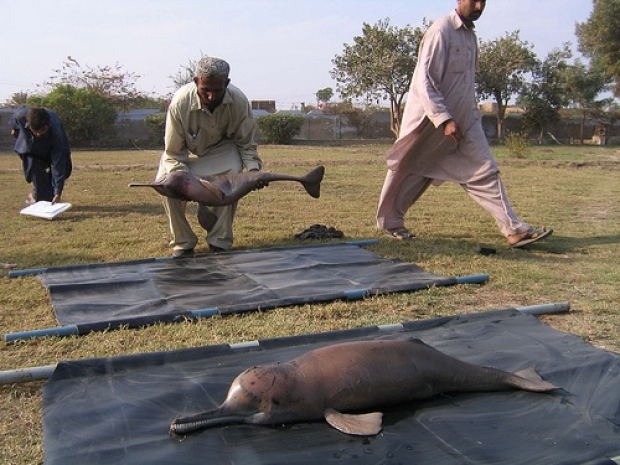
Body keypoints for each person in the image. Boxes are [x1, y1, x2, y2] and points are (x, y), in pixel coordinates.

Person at [376, 0, 552, 249]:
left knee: (485, 171)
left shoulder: (470, 38)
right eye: (473, 0)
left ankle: (514, 230)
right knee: (413, 169)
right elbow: (424, 82)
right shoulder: (441, 31)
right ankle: (391, 222)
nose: (478, 5)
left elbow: (464, 85)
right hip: (431, 123)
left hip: (465, 121)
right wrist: (444, 119)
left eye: (483, 1)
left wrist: (466, 116)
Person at [156, 56, 263, 257]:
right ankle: (183, 242)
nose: (212, 96)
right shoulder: (180, 103)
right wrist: (184, 182)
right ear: (196, 81)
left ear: (227, 84)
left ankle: (219, 241)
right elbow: (173, 151)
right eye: (206, 90)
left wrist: (253, 173)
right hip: (185, 154)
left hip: (222, 151)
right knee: (166, 183)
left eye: (217, 90)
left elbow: (246, 144)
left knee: (232, 177)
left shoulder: (239, 102)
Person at [9, 107, 72, 205]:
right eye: (35, 131)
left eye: (42, 130)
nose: (38, 134)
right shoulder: (21, 116)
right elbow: (15, 120)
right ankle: (38, 195)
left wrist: (58, 192)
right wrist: (15, 128)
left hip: (52, 145)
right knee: (36, 171)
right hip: (31, 148)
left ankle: (47, 193)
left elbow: (57, 163)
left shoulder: (56, 133)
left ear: (47, 125)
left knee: (65, 169)